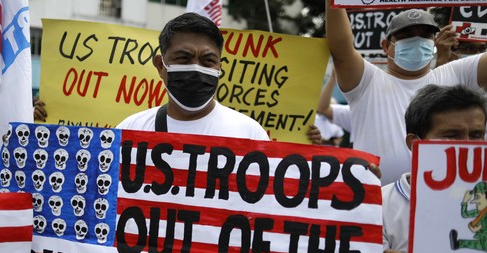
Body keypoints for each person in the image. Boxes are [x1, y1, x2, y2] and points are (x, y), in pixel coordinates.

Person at [326, 1, 487, 185]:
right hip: (379, 206)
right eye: (406, 36)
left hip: (447, 200)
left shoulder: (458, 72)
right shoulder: (365, 81)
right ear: (386, 46)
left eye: (425, 35)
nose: (417, 41)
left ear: (433, 42)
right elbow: (341, 48)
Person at [117, 12, 321, 143]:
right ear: (161, 65)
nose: (196, 68)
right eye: (183, 58)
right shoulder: (129, 130)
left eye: (207, 61)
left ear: (219, 67)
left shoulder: (249, 134)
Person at [381, 84, 487, 253]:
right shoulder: (378, 206)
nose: (467, 145)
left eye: (476, 135)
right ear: (414, 142)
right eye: (451, 135)